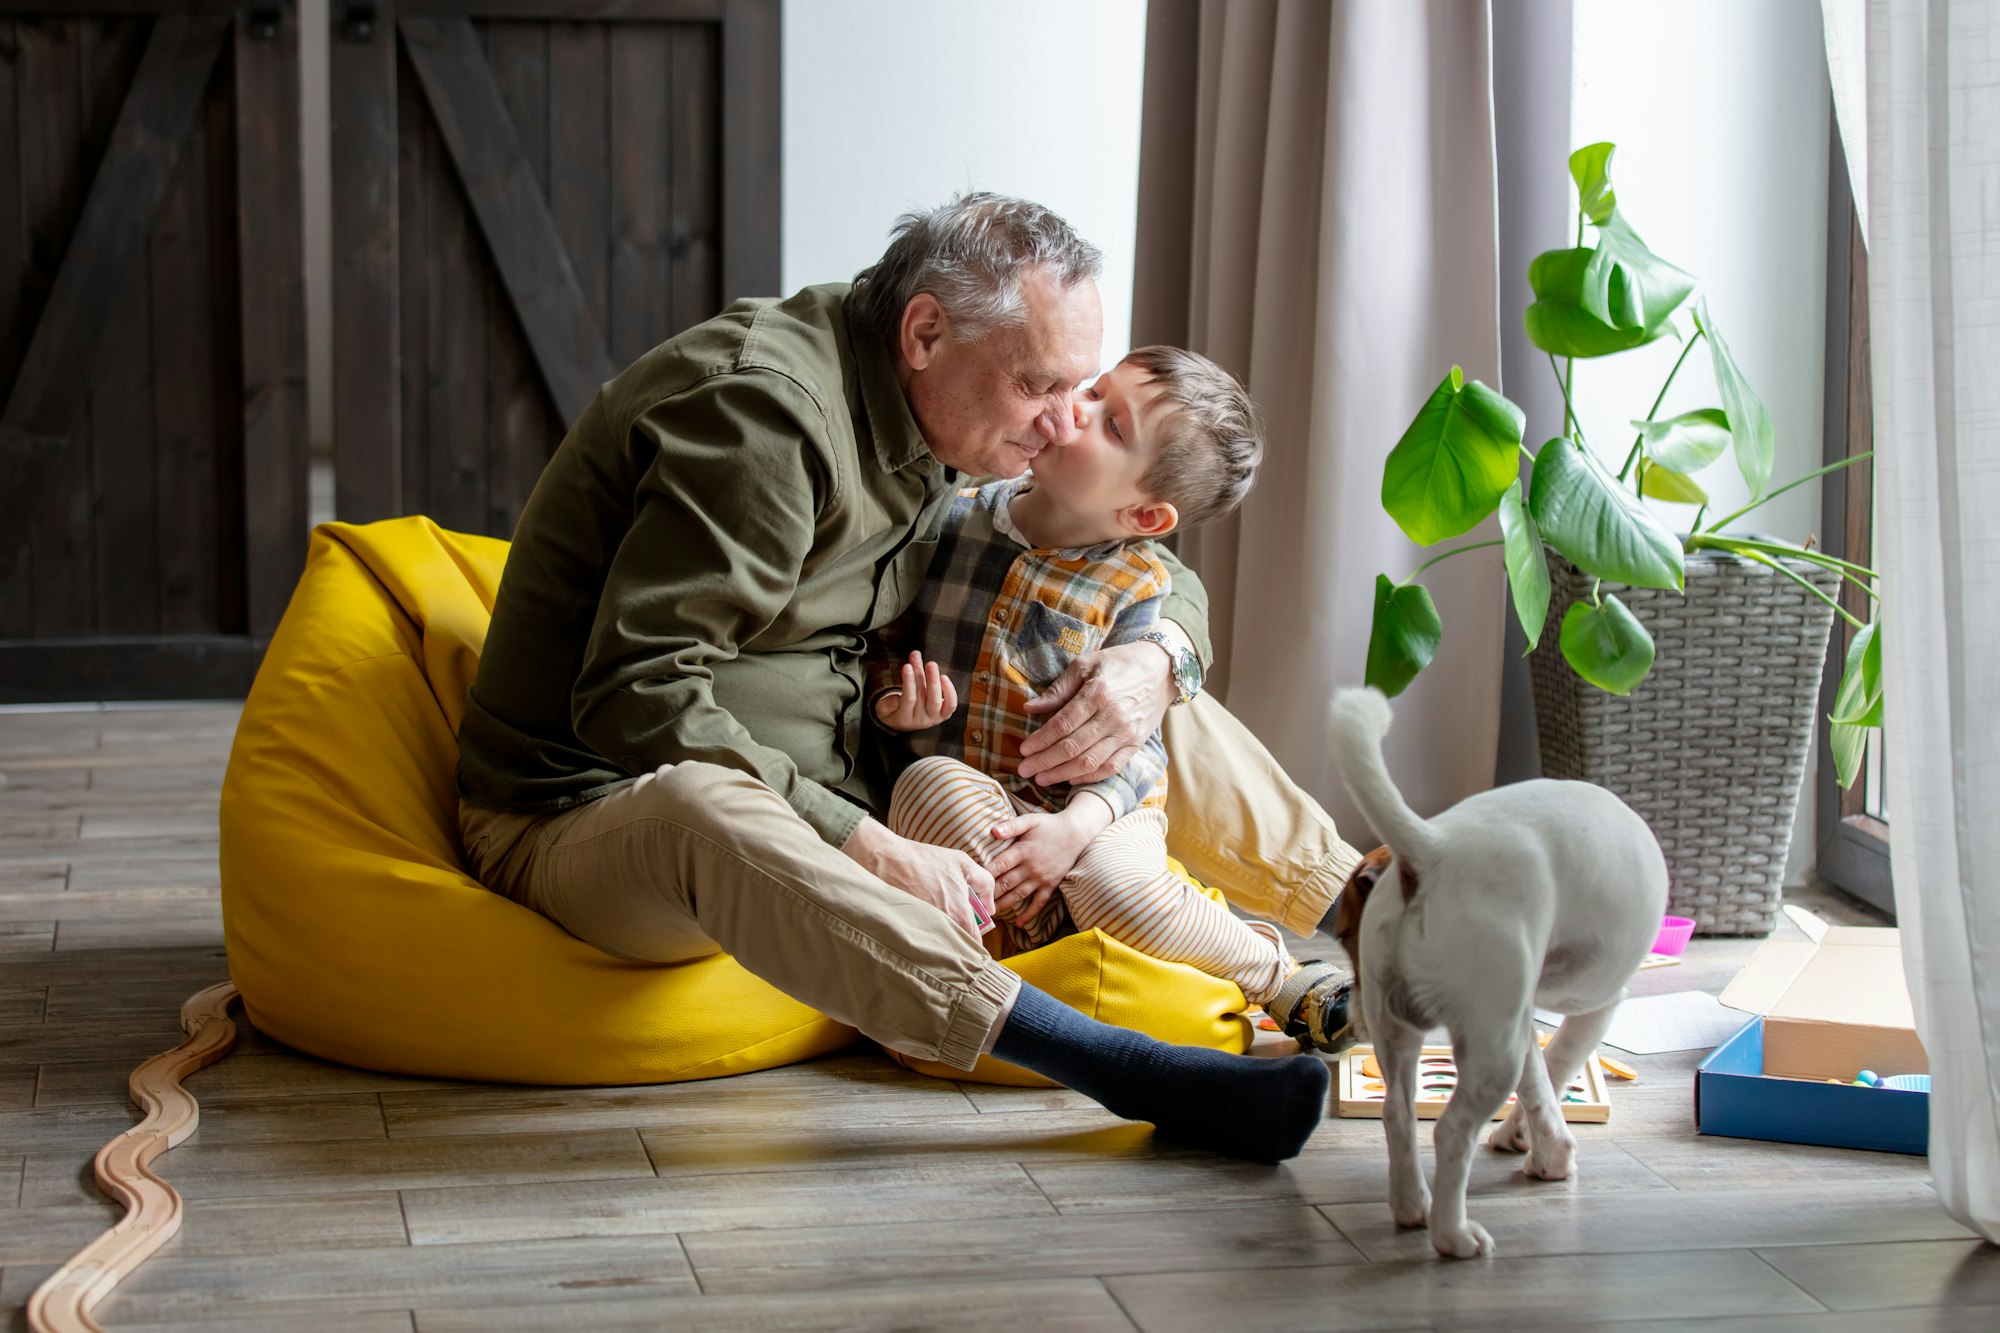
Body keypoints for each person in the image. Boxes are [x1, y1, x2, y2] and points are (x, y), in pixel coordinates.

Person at [455, 193, 1359, 1163]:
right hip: (587, 814)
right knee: (702, 806)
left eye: (1081, 388)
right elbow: (637, 693)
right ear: (924, 330)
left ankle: (1364, 905)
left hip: (861, 769)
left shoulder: (948, 405)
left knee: (1113, 681)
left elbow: (1129, 561)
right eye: (1040, 387)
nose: (1060, 423)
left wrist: (1158, 655)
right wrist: (872, 846)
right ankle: (1128, 1071)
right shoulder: (766, 421)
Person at [869, 345, 1353, 1049]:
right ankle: (1031, 935)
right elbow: (885, 640)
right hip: (982, 806)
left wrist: (1073, 830)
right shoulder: (953, 519)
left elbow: (1141, 747)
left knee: (1111, 879)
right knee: (924, 787)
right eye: (1094, 390)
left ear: (1144, 516)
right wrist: (896, 705)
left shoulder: (1136, 589)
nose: (1077, 408)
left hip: (1095, 816)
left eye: (1112, 424)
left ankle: (1277, 976)